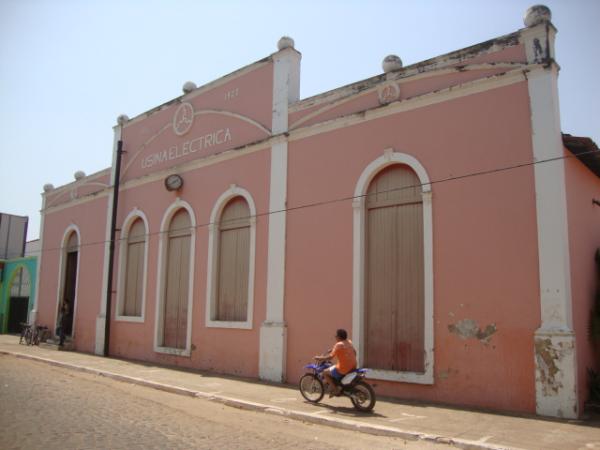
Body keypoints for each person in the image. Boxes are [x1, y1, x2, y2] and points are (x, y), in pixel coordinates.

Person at [314, 329, 357, 396]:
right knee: (335, 366)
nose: (335, 337)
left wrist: (319, 358)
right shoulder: (349, 342)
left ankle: (335, 390)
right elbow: (355, 352)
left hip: (343, 369)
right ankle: (338, 385)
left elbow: (330, 357)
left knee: (325, 372)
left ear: (339, 337)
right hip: (353, 366)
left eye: (336, 335)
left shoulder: (338, 345)